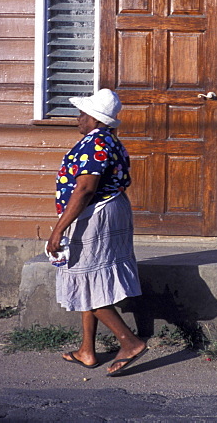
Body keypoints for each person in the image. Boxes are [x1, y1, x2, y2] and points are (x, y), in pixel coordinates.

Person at [45, 88, 147, 377]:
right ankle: (86, 350)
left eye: (82, 114)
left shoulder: (95, 145)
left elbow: (86, 188)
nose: (78, 119)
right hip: (110, 210)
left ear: (95, 119)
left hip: (96, 213)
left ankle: (130, 342)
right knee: (89, 277)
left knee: (82, 274)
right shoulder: (110, 142)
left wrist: (58, 230)